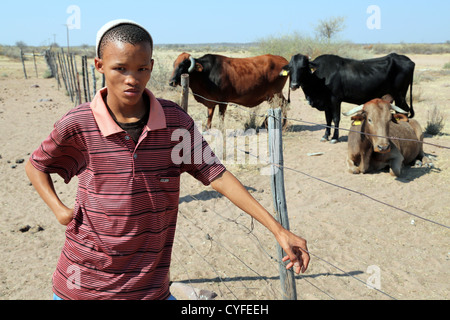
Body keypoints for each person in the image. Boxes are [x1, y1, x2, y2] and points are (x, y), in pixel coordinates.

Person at [25, 19, 309, 300]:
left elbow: (216, 174)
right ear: (99, 66)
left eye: (142, 69)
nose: (132, 79)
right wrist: (60, 210)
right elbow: (36, 165)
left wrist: (279, 230)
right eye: (120, 68)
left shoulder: (174, 123)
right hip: (82, 286)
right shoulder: (79, 124)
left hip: (149, 288)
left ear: (150, 66)